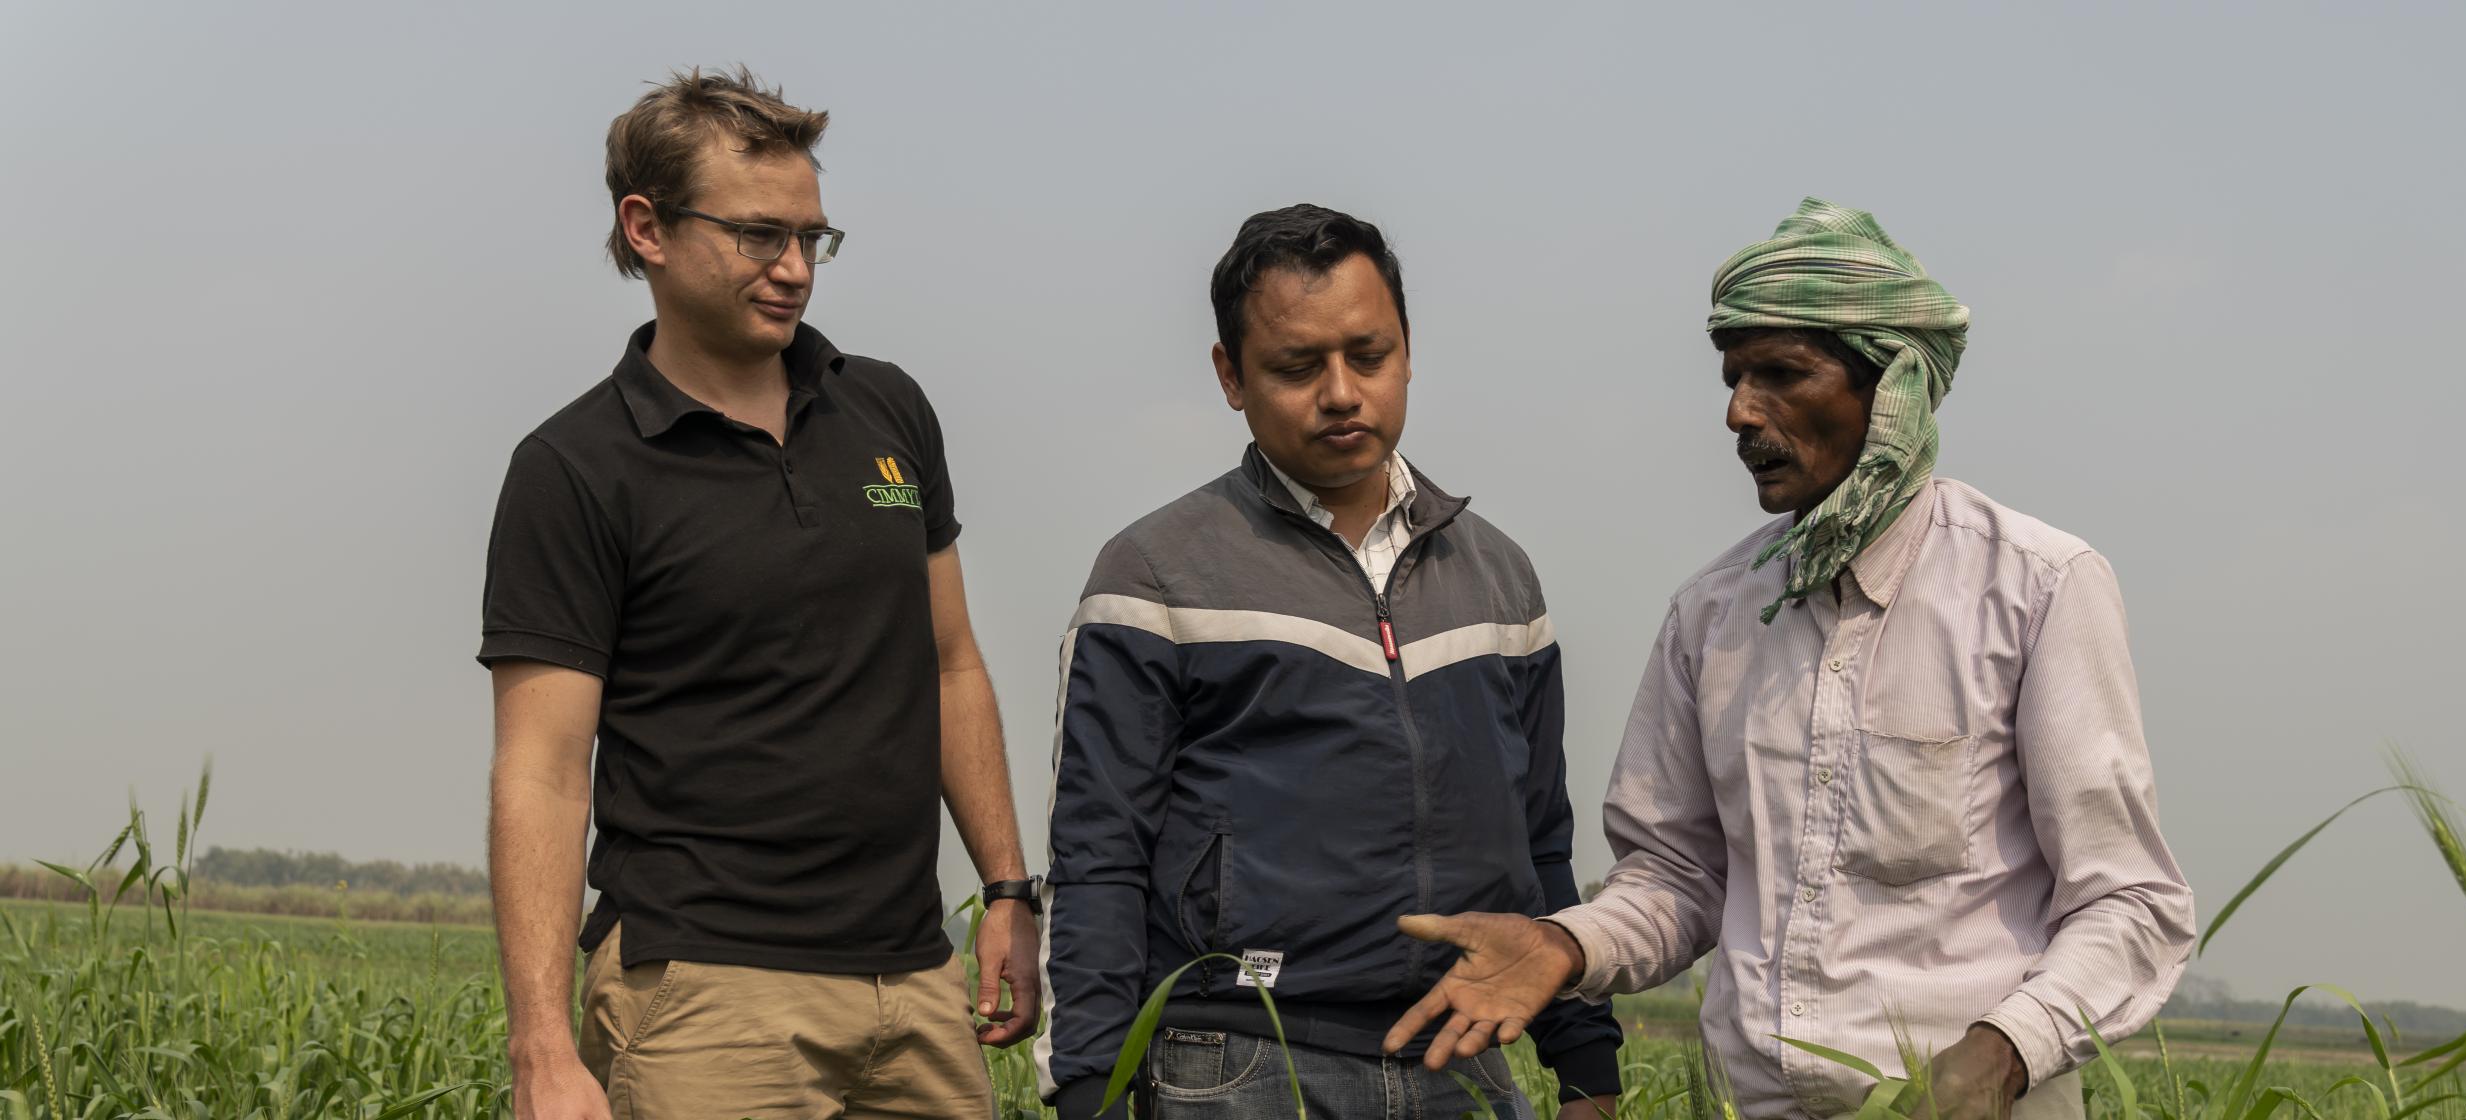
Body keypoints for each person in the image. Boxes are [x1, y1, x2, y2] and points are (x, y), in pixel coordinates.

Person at [1386, 198, 2195, 1120]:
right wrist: (1566, 948)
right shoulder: (1713, 615)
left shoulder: (2037, 588)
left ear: (1891, 385)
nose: (1738, 411)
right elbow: (1679, 878)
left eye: (1781, 374)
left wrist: (2003, 1052)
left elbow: (2131, 904)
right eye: (1733, 376)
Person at [478, 68, 1036, 1119]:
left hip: (914, 979)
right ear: (644, 227)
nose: (794, 270)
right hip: (703, 993)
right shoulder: (575, 466)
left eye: (812, 239)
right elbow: (542, 770)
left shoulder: (887, 410)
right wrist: (542, 1046)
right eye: (757, 236)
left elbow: (951, 659)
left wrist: (1005, 886)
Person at [1037, 205, 1623, 1119]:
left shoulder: (1501, 578)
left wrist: (1586, 1062)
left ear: (1408, 349)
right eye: (1297, 366)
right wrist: (1089, 1088)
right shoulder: (1154, 573)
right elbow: (1098, 855)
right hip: (1235, 1063)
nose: (1343, 392)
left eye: (1369, 354)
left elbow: (1540, 837)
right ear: (1231, 375)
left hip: (1462, 1062)